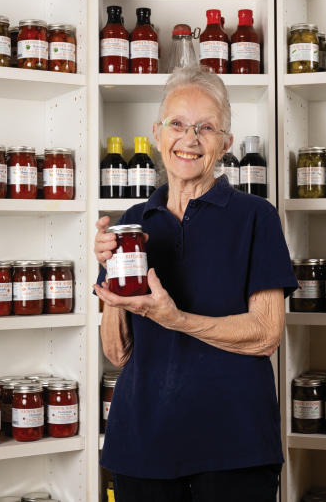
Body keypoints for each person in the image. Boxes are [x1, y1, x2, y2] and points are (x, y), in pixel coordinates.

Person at [93, 64, 298, 502]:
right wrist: (113, 286)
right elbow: (117, 352)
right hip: (143, 442)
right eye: (178, 125)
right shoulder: (132, 224)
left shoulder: (255, 217)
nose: (190, 138)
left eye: (206, 127)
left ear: (225, 142)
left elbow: (265, 335)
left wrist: (177, 319)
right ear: (156, 134)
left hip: (236, 444)